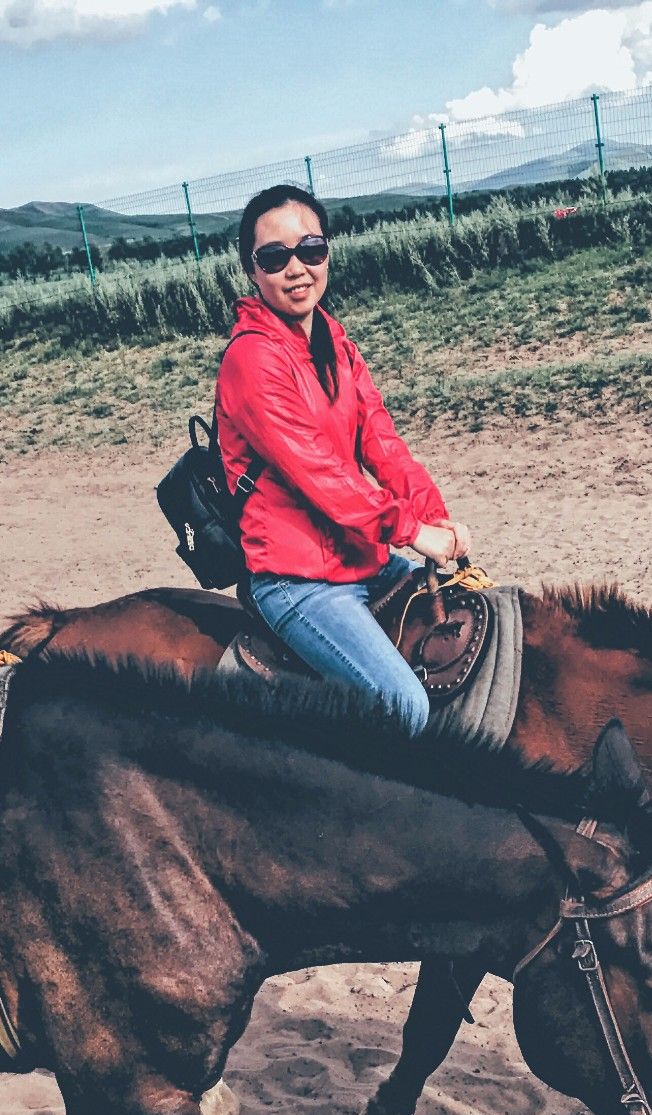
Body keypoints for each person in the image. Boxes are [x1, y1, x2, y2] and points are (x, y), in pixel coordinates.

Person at [214, 183, 471, 735]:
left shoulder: (336, 345)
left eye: (311, 250)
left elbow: (383, 444)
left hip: (365, 559)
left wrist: (434, 515)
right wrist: (410, 530)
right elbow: (321, 476)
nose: (297, 268)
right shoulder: (252, 360)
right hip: (297, 581)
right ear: (252, 272)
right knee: (404, 706)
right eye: (274, 257)